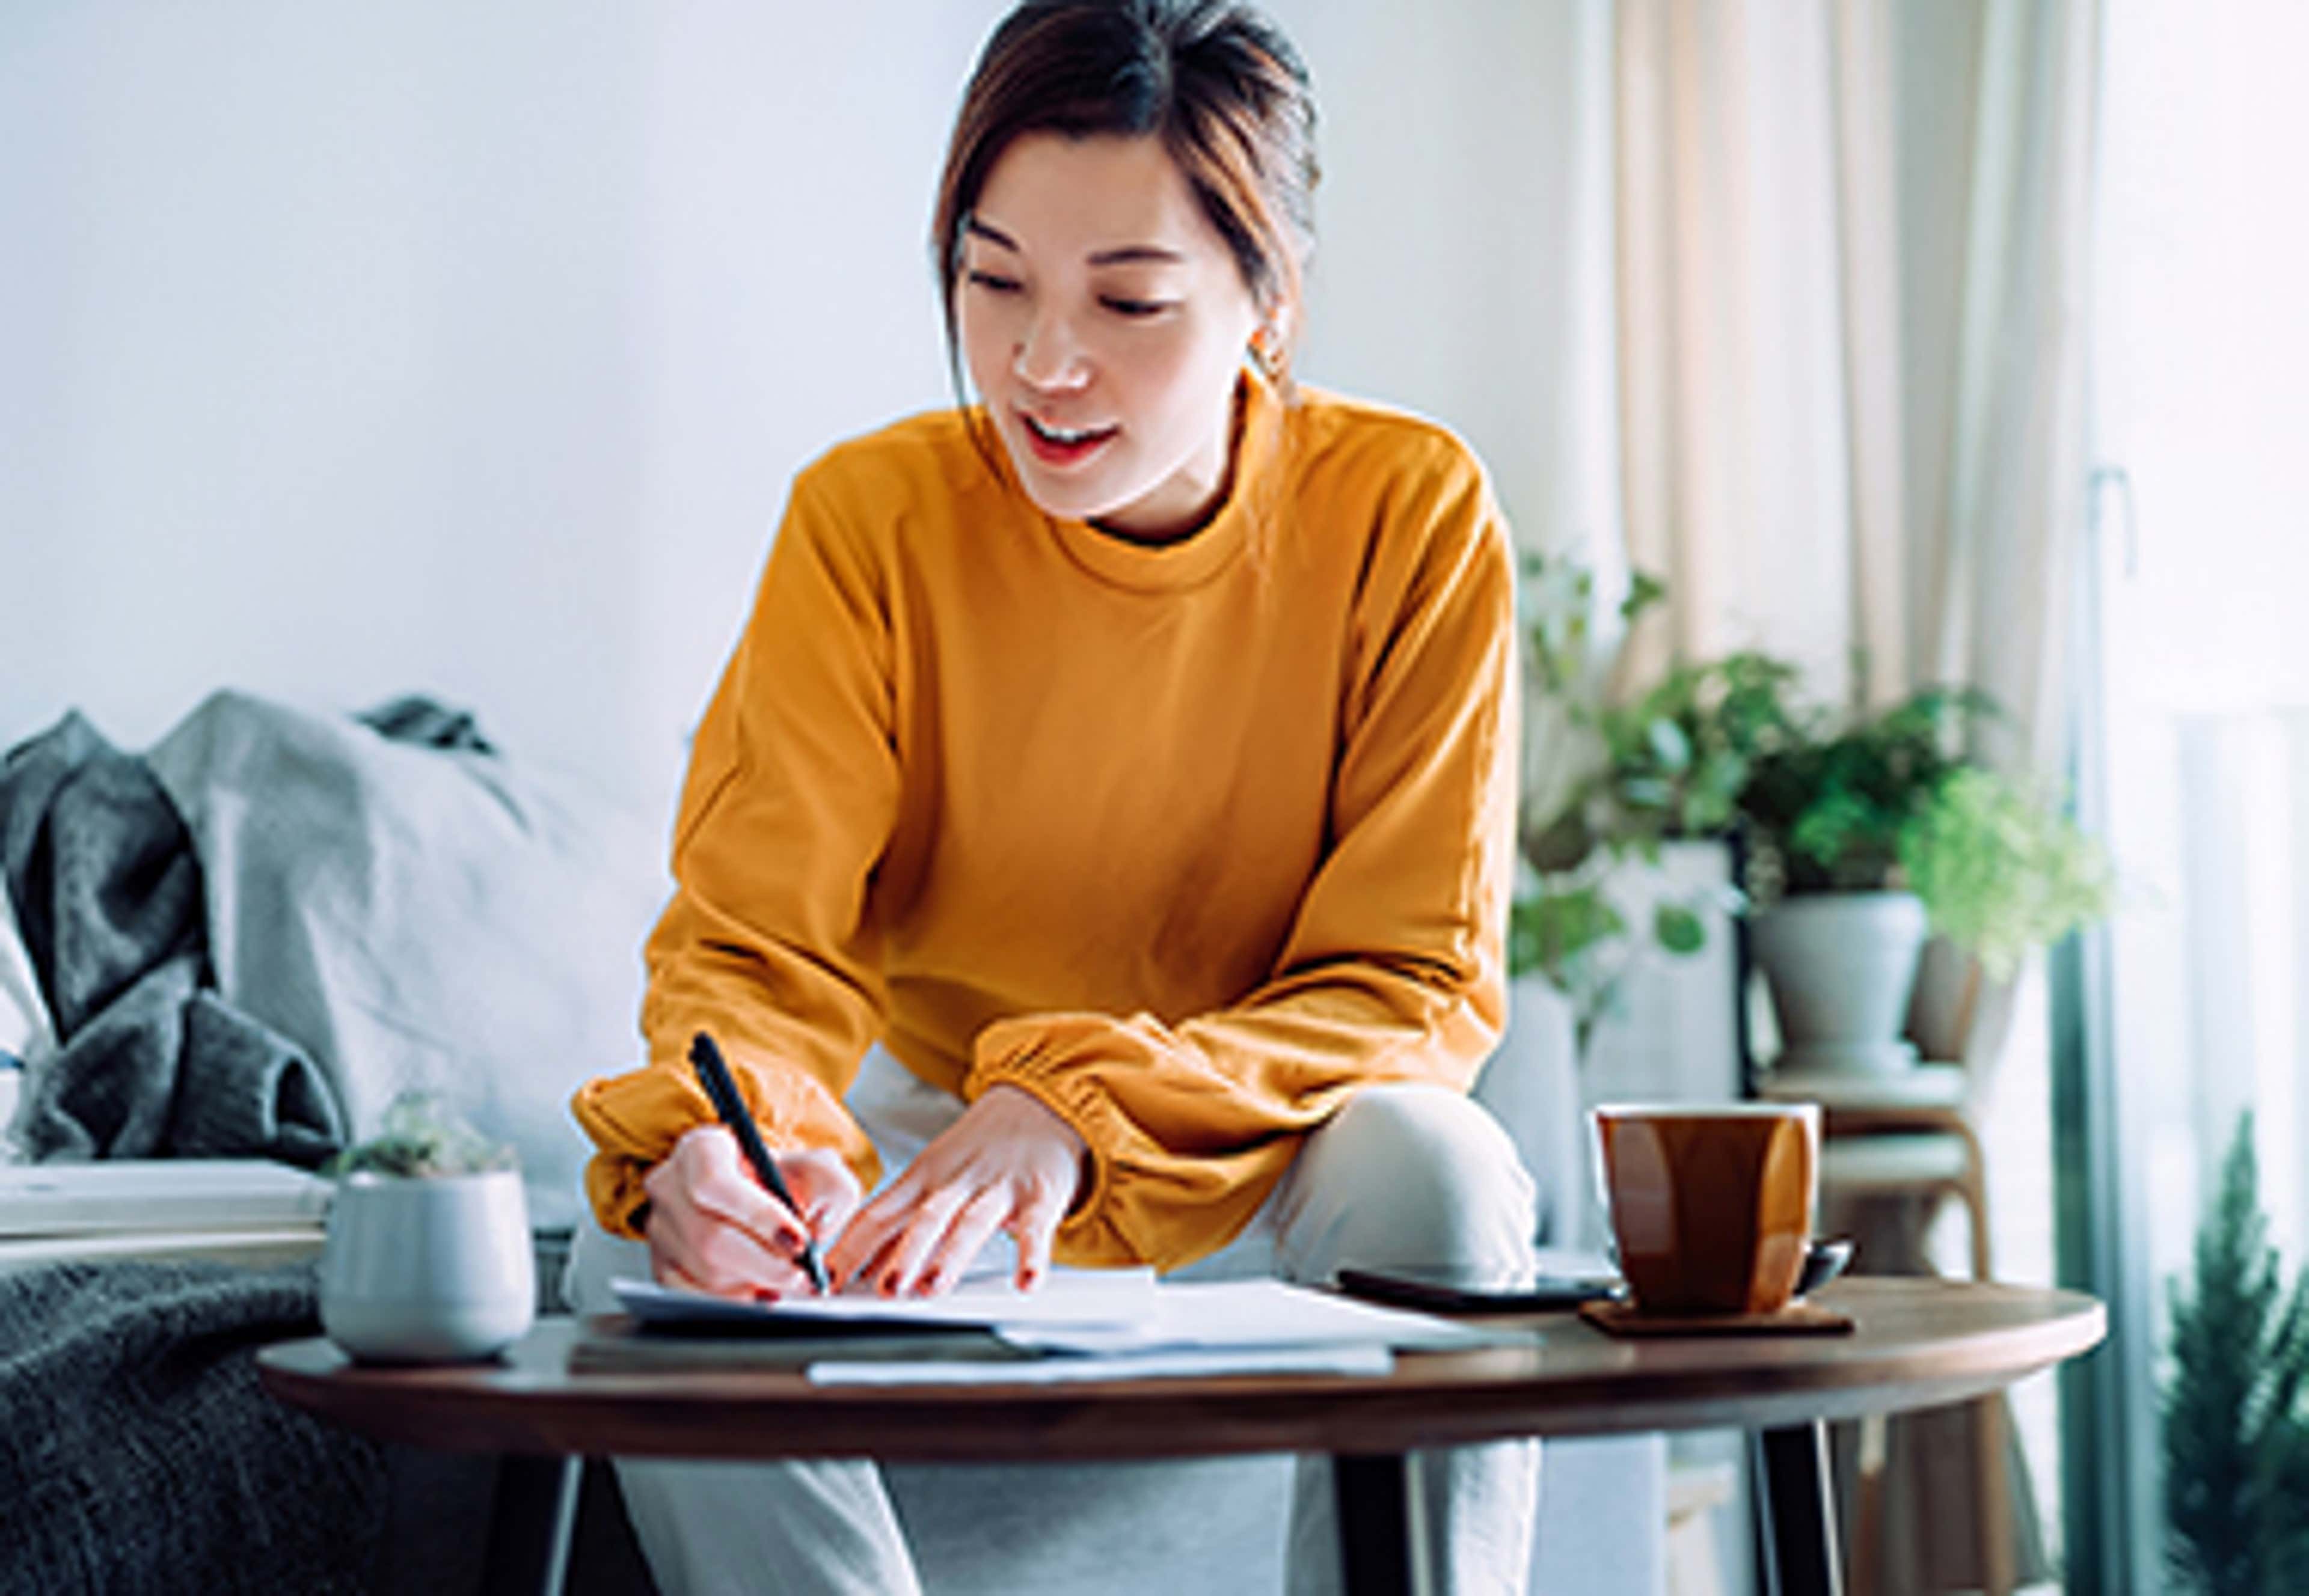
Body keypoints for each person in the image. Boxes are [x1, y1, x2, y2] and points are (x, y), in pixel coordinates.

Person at [566, 2, 1539, 1590]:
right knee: (647, 1218)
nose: (1044, 364)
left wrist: (1077, 1110)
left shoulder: (1410, 514)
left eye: (1132, 300)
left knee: (1437, 1165)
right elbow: (754, 951)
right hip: (925, 1135)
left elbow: (1412, 981)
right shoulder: (867, 522)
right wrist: (748, 1145)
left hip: (1254, 1130)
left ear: (1267, 305)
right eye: (993, 280)